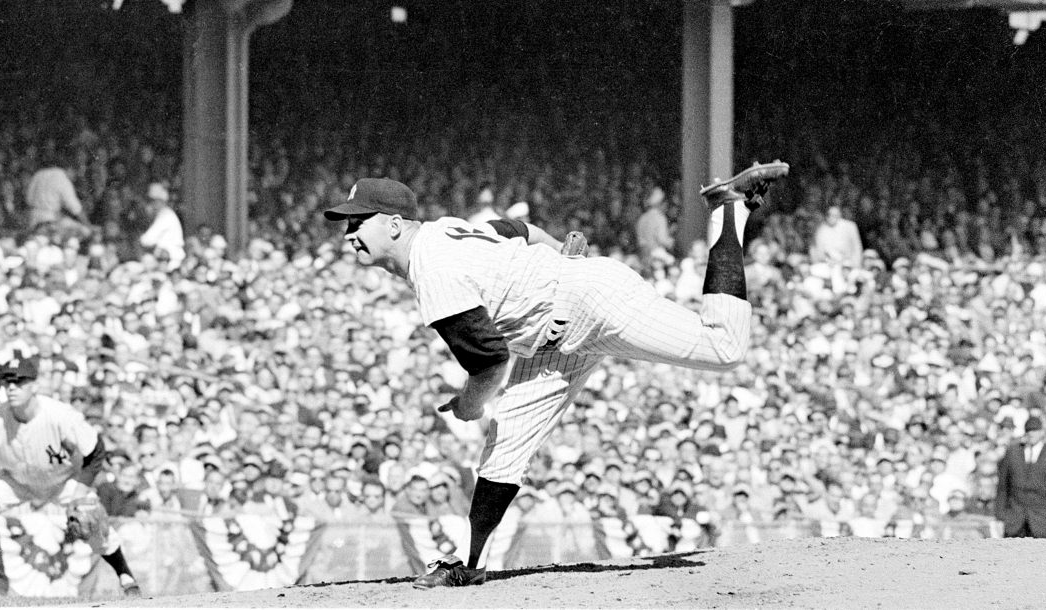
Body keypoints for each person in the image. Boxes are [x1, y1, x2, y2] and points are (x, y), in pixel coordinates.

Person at [322, 160, 788, 588]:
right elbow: (515, 228)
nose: (348, 233)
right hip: (553, 339)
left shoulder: (433, 270)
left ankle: (727, 212)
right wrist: (556, 246)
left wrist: (468, 404)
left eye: (357, 222)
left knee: (724, 347)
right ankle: (470, 565)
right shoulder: (445, 230)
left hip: (588, 303)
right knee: (502, 450)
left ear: (396, 224)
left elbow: (489, 363)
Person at [0, 356, 142, 596]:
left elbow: (96, 450)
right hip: (15, 482)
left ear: (35, 385)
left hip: (62, 482)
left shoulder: (60, 415)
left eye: (20, 381)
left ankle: (125, 575)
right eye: (8, 382)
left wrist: (80, 492)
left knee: (89, 514)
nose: (13, 387)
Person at [994, 415, 1046, 538]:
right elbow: (1002, 488)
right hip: (1014, 521)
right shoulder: (1013, 453)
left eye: (1035, 430)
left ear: (1042, 432)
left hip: (1043, 522)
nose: (1031, 434)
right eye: (1029, 430)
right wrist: (1000, 517)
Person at [139, 182, 185, 270]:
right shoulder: (162, 214)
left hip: (170, 260)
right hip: (163, 259)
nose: (151, 205)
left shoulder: (166, 214)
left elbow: (146, 240)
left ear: (160, 201)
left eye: (153, 201)